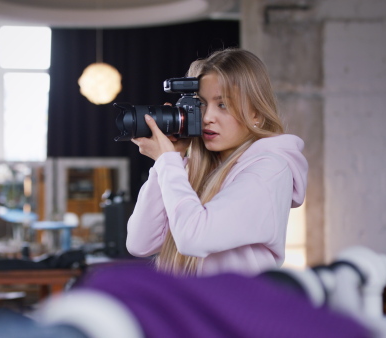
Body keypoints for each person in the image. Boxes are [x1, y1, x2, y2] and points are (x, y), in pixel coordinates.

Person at [126, 48, 308, 277]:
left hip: (234, 311)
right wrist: (169, 160)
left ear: (256, 113)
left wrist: (166, 161)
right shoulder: (190, 168)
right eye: (201, 104)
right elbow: (140, 243)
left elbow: (194, 237)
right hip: (189, 308)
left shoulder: (269, 170)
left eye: (222, 105)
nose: (208, 117)